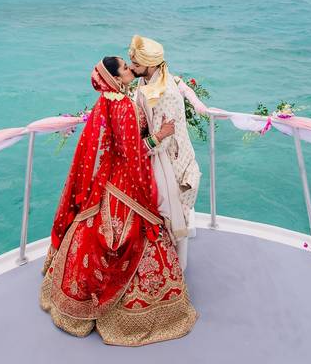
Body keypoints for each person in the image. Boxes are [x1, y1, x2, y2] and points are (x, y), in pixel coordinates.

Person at [39, 56, 198, 345]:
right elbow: (132, 151)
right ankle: (130, 311)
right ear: (116, 78)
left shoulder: (107, 102)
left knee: (92, 228)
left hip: (109, 179)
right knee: (139, 232)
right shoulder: (123, 107)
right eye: (125, 68)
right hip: (127, 180)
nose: (129, 70)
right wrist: (159, 135)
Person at [128, 35, 201, 270]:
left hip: (167, 159)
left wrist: (133, 149)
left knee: (167, 212)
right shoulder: (147, 80)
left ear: (151, 64)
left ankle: (174, 268)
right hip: (156, 151)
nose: (131, 68)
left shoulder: (165, 93)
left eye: (136, 64)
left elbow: (163, 140)